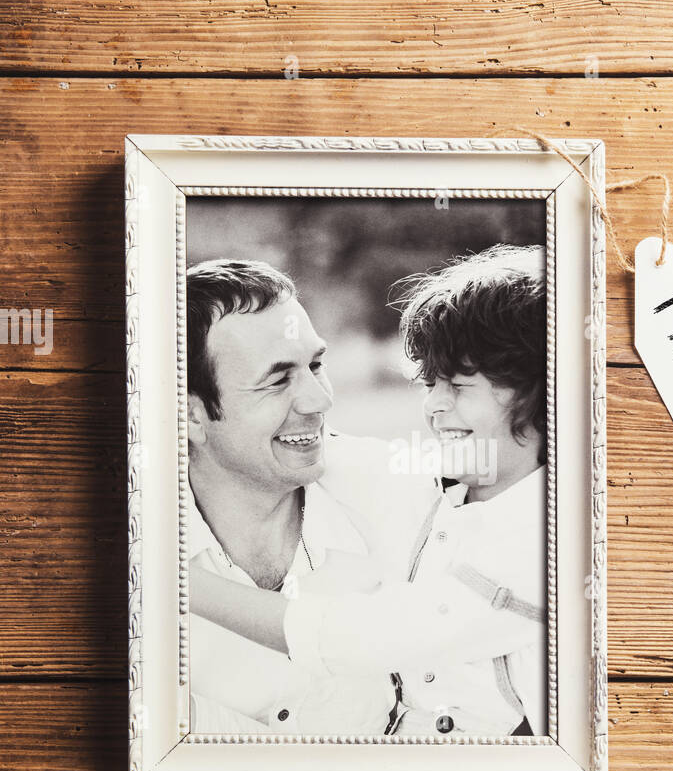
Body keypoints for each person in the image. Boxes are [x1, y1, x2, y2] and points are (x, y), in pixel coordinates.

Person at [189, 245, 549, 736]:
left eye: (316, 365)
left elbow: (366, 637)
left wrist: (181, 585)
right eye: (276, 380)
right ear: (187, 412)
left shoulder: (533, 533)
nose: (321, 401)